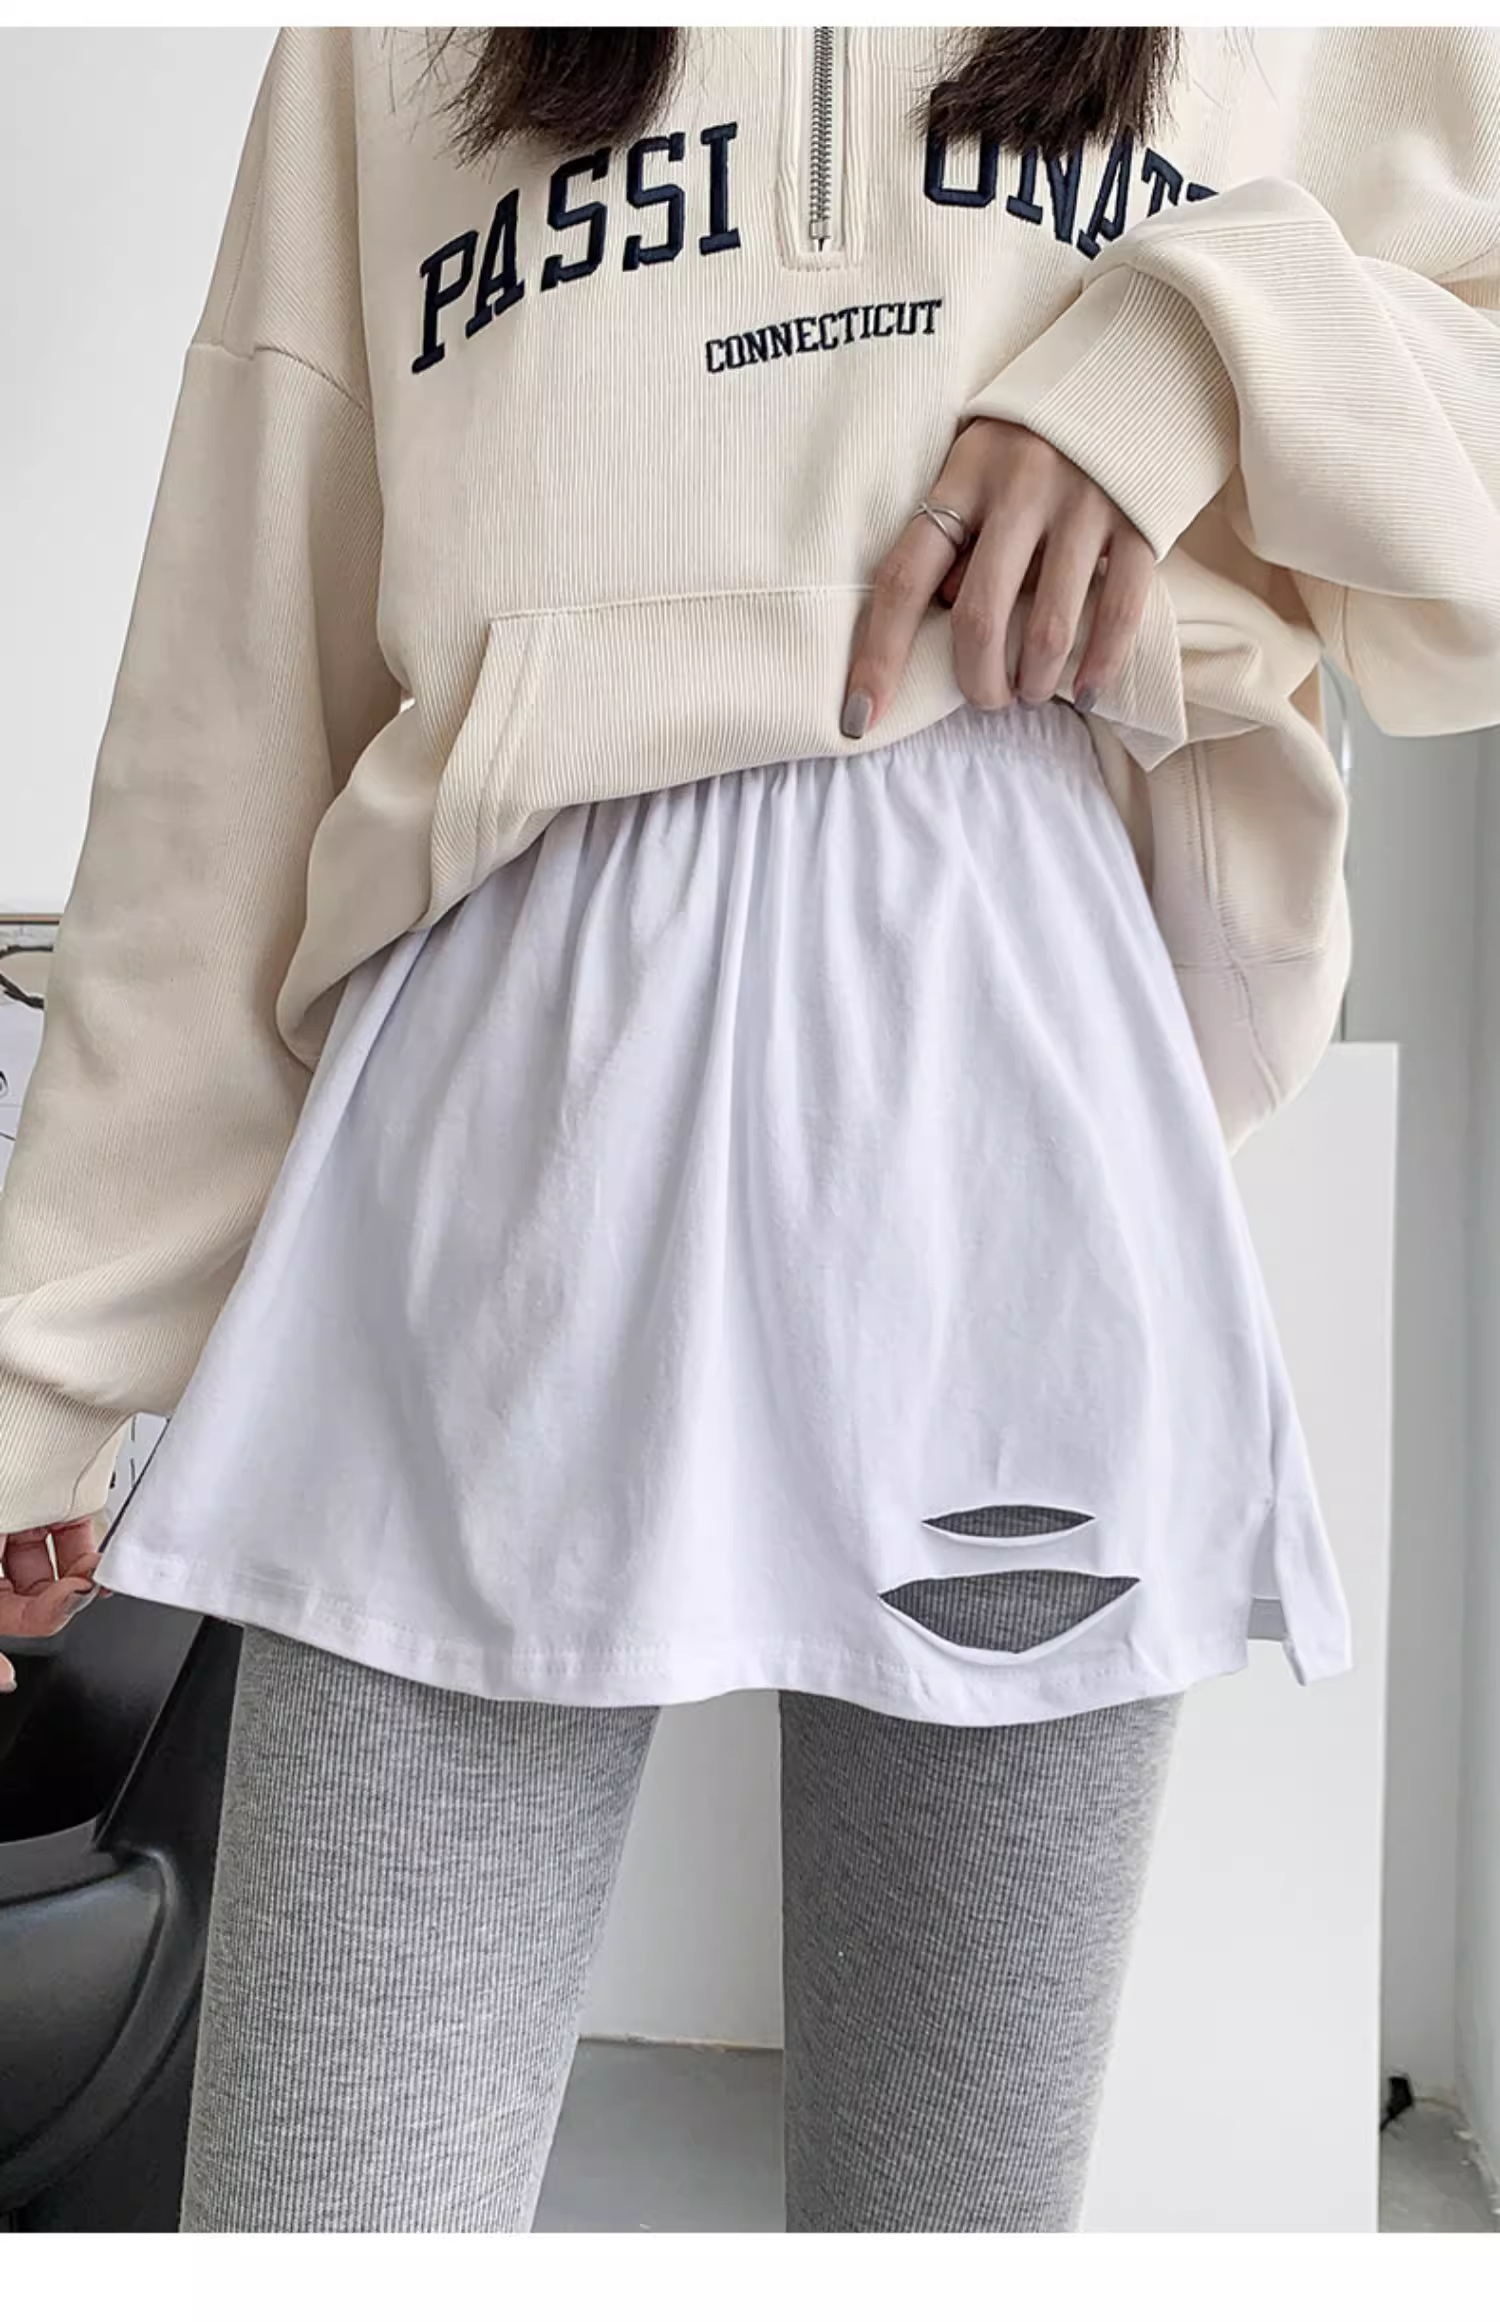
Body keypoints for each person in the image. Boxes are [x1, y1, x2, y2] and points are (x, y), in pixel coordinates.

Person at [1, 25, 1497, 2233]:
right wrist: (39, 1386)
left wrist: (1202, 339)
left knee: (942, 2246)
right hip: (483, 1186)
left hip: (1015, 1178)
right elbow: (233, 710)